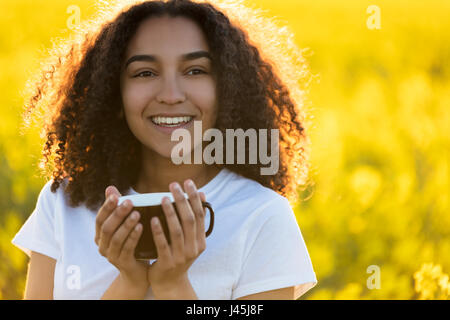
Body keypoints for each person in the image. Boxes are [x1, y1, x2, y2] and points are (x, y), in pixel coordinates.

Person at [12, 0, 317, 300]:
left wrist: (172, 286)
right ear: (114, 94)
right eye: (145, 73)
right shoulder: (63, 203)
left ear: (227, 89)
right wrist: (130, 283)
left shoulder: (262, 215)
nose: (171, 95)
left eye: (196, 71)